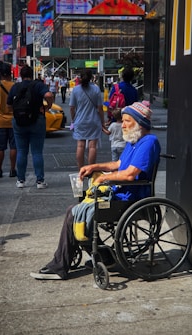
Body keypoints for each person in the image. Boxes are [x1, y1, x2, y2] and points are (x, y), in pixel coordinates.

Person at [30, 102, 160, 280]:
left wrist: (104, 178)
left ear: (139, 123)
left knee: (74, 213)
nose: (122, 125)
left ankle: (61, 265)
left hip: (130, 198)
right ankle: (102, 257)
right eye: (123, 120)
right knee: (76, 210)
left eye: (127, 121)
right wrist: (93, 166)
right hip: (120, 194)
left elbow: (130, 175)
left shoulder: (149, 142)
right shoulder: (133, 140)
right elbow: (118, 165)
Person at [7, 65, 54, 189]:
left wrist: (17, 113)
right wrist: (47, 107)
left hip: (18, 122)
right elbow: (48, 95)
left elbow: (9, 105)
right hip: (37, 119)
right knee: (37, 152)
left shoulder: (15, 87)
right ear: (32, 74)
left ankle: (20, 180)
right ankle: (40, 181)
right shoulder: (38, 85)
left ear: (20, 76)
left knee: (21, 151)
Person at [69, 69, 105, 170]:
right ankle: (90, 170)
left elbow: (72, 107)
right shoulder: (96, 89)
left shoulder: (76, 90)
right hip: (94, 121)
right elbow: (100, 108)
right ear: (91, 78)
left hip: (80, 121)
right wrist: (102, 122)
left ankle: (81, 169)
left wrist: (73, 119)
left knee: (80, 146)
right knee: (92, 146)